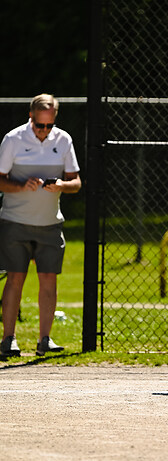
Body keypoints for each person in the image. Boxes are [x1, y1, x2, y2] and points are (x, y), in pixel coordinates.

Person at [0, 93, 81, 357]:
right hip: (15, 221)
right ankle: (8, 339)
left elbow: (76, 182)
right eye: (39, 125)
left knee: (49, 281)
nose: (44, 130)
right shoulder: (13, 139)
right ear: (30, 117)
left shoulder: (64, 139)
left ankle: (44, 340)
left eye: (49, 125)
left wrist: (61, 186)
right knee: (15, 279)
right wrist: (21, 185)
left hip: (50, 224)